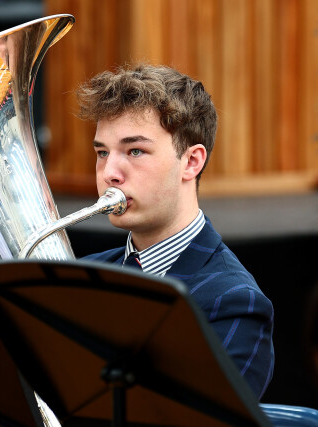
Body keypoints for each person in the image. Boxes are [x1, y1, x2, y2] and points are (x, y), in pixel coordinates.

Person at [77, 63, 274, 399]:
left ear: (192, 162)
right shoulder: (82, 275)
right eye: (102, 152)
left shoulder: (234, 301)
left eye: (135, 151)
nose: (109, 172)